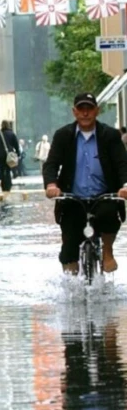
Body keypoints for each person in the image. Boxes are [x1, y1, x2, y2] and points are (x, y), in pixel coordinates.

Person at [43, 92, 127, 274]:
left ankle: (107, 251)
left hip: (103, 196)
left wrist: (125, 186)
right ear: (74, 112)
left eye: (89, 109)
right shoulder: (63, 135)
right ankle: (72, 288)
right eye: (81, 109)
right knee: (68, 251)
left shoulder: (110, 135)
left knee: (110, 215)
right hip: (73, 199)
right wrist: (51, 185)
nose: (85, 113)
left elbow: (123, 164)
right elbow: (51, 164)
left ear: (97, 111)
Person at [0, 120, 20, 192]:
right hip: (9, 155)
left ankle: (3, 184)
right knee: (8, 169)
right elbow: (16, 144)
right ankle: (8, 184)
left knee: (2, 169)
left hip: (0, 155)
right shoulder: (11, 134)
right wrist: (18, 153)